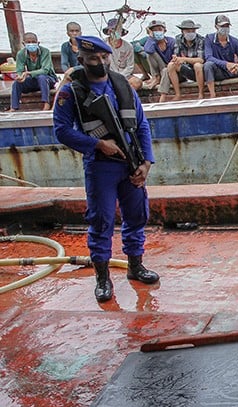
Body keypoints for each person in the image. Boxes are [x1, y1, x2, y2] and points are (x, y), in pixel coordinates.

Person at [52, 36, 160, 303]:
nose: (100, 62)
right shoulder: (71, 93)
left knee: (137, 215)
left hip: (131, 162)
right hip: (100, 165)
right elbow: (62, 131)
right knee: (101, 221)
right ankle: (102, 278)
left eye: (104, 57)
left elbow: (142, 124)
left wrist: (146, 162)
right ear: (81, 60)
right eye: (93, 59)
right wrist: (98, 144)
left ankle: (135, 266)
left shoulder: (122, 85)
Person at [204, 15, 238, 98]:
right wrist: (226, 64)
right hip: (219, 71)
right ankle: (212, 94)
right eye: (222, 26)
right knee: (208, 65)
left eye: (227, 26)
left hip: (233, 70)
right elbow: (209, 57)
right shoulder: (209, 39)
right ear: (216, 26)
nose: (225, 28)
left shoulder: (234, 41)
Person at [159, 19, 205, 101]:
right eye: (188, 31)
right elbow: (176, 55)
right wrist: (176, 59)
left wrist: (184, 59)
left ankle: (201, 93)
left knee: (197, 65)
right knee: (171, 65)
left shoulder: (200, 40)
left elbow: (201, 60)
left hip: (198, 71)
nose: (190, 33)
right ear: (182, 31)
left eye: (193, 31)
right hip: (185, 68)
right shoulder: (178, 39)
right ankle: (177, 94)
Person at [10, 32, 57, 112]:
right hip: (34, 80)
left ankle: (46, 103)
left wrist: (29, 73)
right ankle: (14, 107)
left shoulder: (45, 51)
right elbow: (19, 70)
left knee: (42, 77)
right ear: (24, 43)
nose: (31, 44)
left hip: (48, 79)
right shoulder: (21, 54)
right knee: (16, 83)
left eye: (33, 42)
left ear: (38, 43)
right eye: (28, 42)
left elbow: (45, 70)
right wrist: (20, 77)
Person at [103, 18, 143, 91]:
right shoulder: (103, 44)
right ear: (109, 31)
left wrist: (120, 76)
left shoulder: (128, 46)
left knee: (137, 83)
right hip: (107, 75)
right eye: (113, 29)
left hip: (124, 75)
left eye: (118, 30)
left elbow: (130, 66)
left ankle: (126, 96)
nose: (115, 32)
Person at [143, 19, 175, 89]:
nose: (157, 32)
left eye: (160, 29)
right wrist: (151, 37)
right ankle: (156, 77)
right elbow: (148, 50)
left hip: (171, 68)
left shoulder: (171, 41)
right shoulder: (152, 43)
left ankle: (159, 78)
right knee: (149, 54)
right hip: (161, 68)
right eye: (155, 30)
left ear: (164, 31)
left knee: (166, 69)